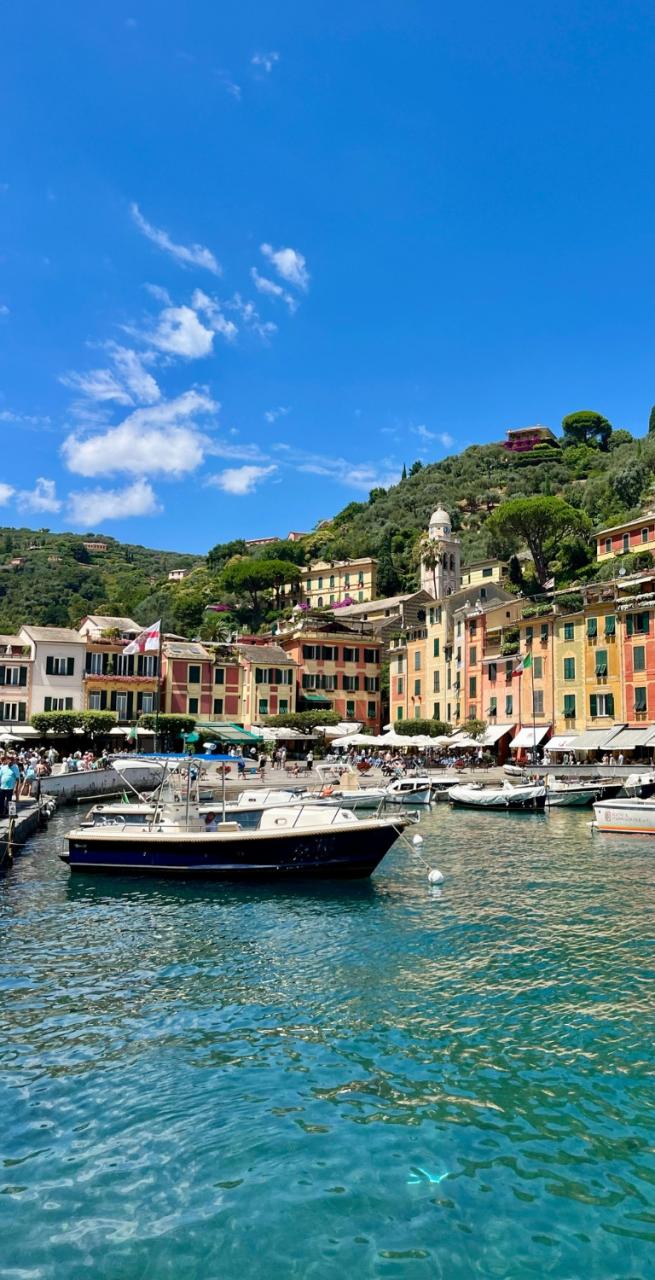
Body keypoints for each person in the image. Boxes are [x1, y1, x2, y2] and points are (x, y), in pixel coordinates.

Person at [0, 753, 20, 817]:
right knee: (1, 801)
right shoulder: (3, 768)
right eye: (9, 759)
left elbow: (17, 779)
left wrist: (16, 788)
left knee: (10, 801)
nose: (10, 761)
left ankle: (12, 814)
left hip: (10, 788)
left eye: (12, 759)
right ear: (6, 760)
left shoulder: (15, 768)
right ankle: (2, 813)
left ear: (13, 760)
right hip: (2, 787)